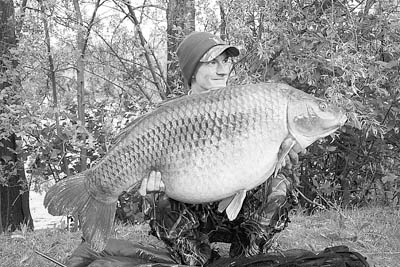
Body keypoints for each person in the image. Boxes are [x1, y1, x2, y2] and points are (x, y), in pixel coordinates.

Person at [141, 31, 303, 266]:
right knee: (154, 196)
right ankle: (198, 257)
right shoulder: (168, 119)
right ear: (193, 70)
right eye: (213, 62)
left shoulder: (246, 105)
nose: (223, 69)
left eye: (226, 61)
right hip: (193, 210)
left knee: (282, 180)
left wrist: (281, 158)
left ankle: (247, 254)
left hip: (239, 208)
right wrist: (150, 184)